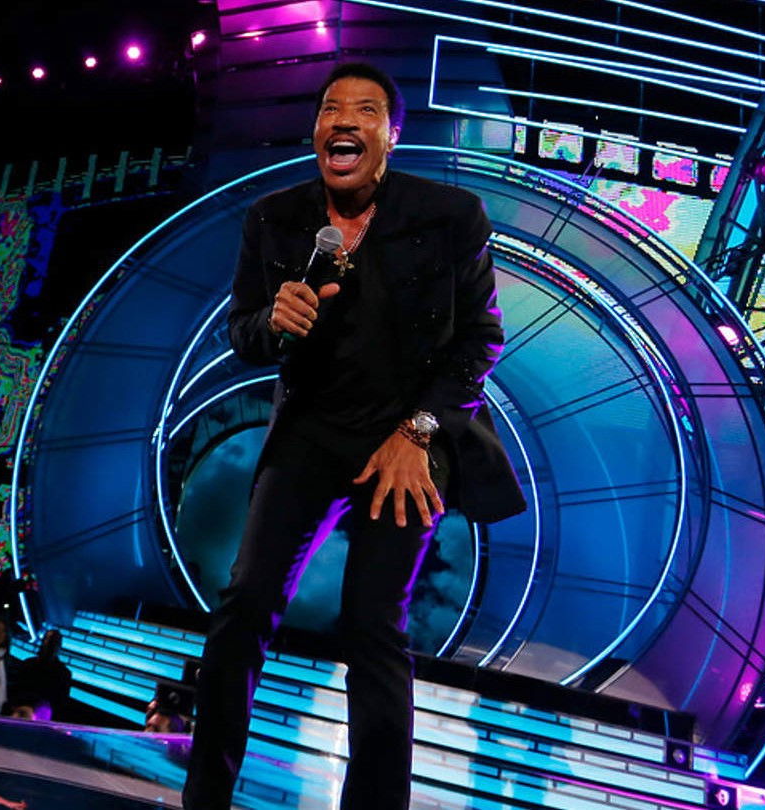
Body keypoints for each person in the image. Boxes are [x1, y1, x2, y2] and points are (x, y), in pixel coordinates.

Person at [182, 63, 525, 810]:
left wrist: (417, 432)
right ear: (316, 132)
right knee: (244, 605)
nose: (344, 120)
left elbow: (481, 340)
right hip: (310, 430)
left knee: (373, 625)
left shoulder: (450, 215)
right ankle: (204, 797)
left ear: (390, 135)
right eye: (330, 109)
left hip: (406, 437)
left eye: (365, 110)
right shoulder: (274, 218)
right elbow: (243, 333)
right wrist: (273, 322)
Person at [13, 629, 73, 723]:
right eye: (47, 639)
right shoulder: (28, 664)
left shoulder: (64, 673)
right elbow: (17, 691)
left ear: (59, 646)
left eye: (54, 641)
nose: (50, 644)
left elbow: (61, 705)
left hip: (45, 721)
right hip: (23, 716)